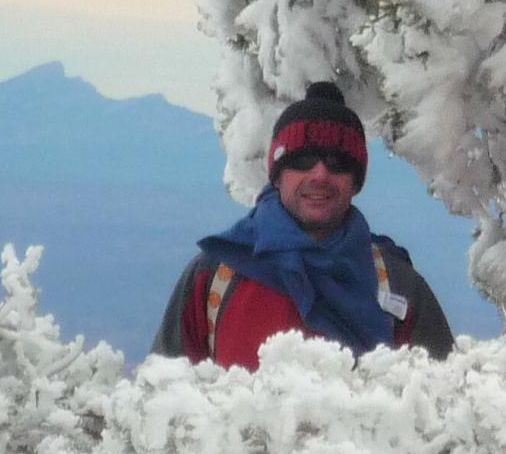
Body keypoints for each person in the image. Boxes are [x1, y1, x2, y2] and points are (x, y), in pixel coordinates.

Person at [153, 80, 454, 367]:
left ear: (355, 181)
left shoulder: (398, 287)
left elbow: (442, 405)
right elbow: (164, 398)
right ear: (278, 174)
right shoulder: (214, 276)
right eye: (303, 160)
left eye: (338, 163)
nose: (320, 175)